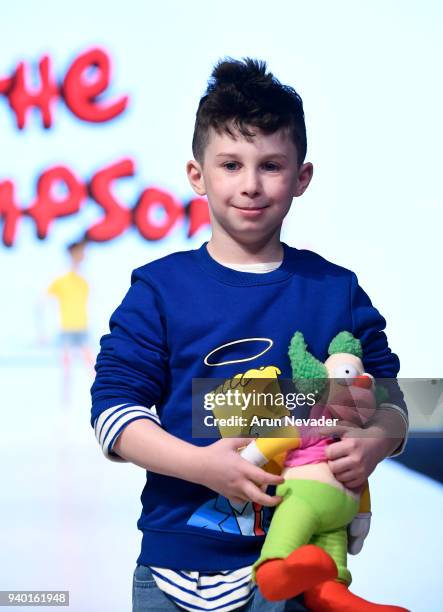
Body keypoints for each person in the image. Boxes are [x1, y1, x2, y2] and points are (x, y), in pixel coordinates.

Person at [90, 58, 408, 612]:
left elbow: (392, 399)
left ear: (301, 178)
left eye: (271, 166)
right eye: (231, 164)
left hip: (299, 566)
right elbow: (114, 413)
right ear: (197, 175)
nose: (251, 185)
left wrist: (377, 441)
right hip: (173, 563)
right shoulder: (160, 289)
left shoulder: (335, 289)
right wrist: (202, 465)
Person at [47, 238, 94, 400]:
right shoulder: (62, 280)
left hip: (81, 326)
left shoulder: (82, 280)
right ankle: (65, 402)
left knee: (90, 366)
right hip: (67, 327)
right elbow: (44, 302)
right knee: (66, 369)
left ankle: (98, 397)